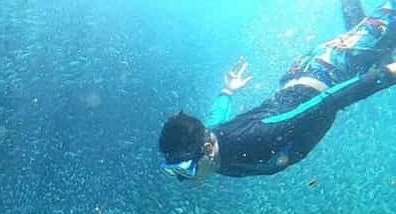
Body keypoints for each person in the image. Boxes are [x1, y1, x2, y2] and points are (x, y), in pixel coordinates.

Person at [158, 0, 396, 180]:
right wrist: (227, 92)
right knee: (380, 46)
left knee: (384, 25)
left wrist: (386, 76)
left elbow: (327, 102)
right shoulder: (214, 152)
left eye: (184, 171)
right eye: (174, 171)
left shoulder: (257, 135)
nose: (181, 179)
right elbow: (213, 121)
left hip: (328, 67)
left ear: (207, 150)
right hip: (313, 73)